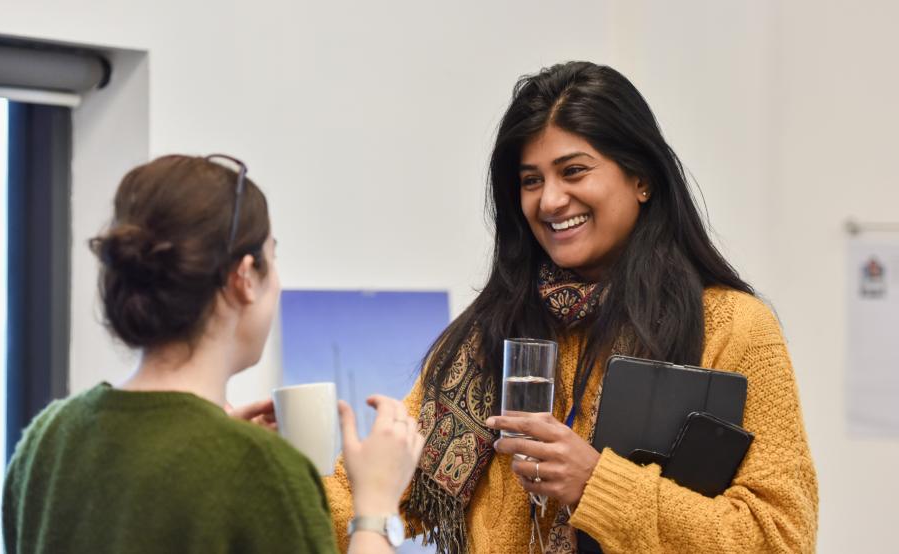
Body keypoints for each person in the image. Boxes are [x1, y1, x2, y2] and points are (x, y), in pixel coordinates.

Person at [324, 61, 818, 553]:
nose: (551, 200)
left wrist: (596, 484)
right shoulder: (488, 333)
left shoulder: (732, 328)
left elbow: (780, 537)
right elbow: (364, 493)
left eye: (574, 171)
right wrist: (256, 463)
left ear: (641, 178)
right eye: (531, 180)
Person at [2, 154, 423, 553]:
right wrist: (377, 507)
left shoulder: (47, 439)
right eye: (272, 258)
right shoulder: (263, 471)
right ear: (244, 277)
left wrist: (219, 441)